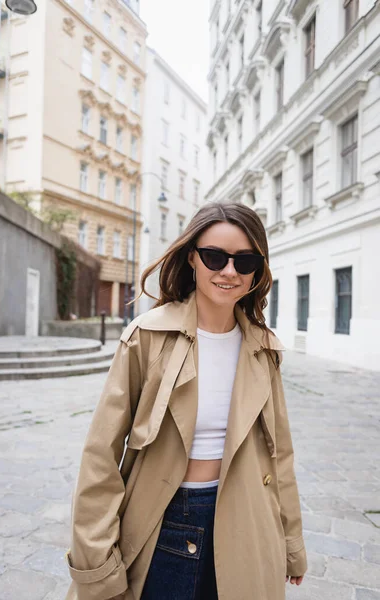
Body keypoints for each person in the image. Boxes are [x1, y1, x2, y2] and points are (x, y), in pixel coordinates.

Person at [65, 202, 308, 600]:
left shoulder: (264, 348)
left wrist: (292, 542)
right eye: (215, 257)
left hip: (249, 521)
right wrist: (95, 557)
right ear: (193, 257)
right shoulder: (147, 336)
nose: (229, 271)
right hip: (166, 522)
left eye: (244, 261)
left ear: (257, 271)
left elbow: (279, 452)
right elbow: (100, 454)